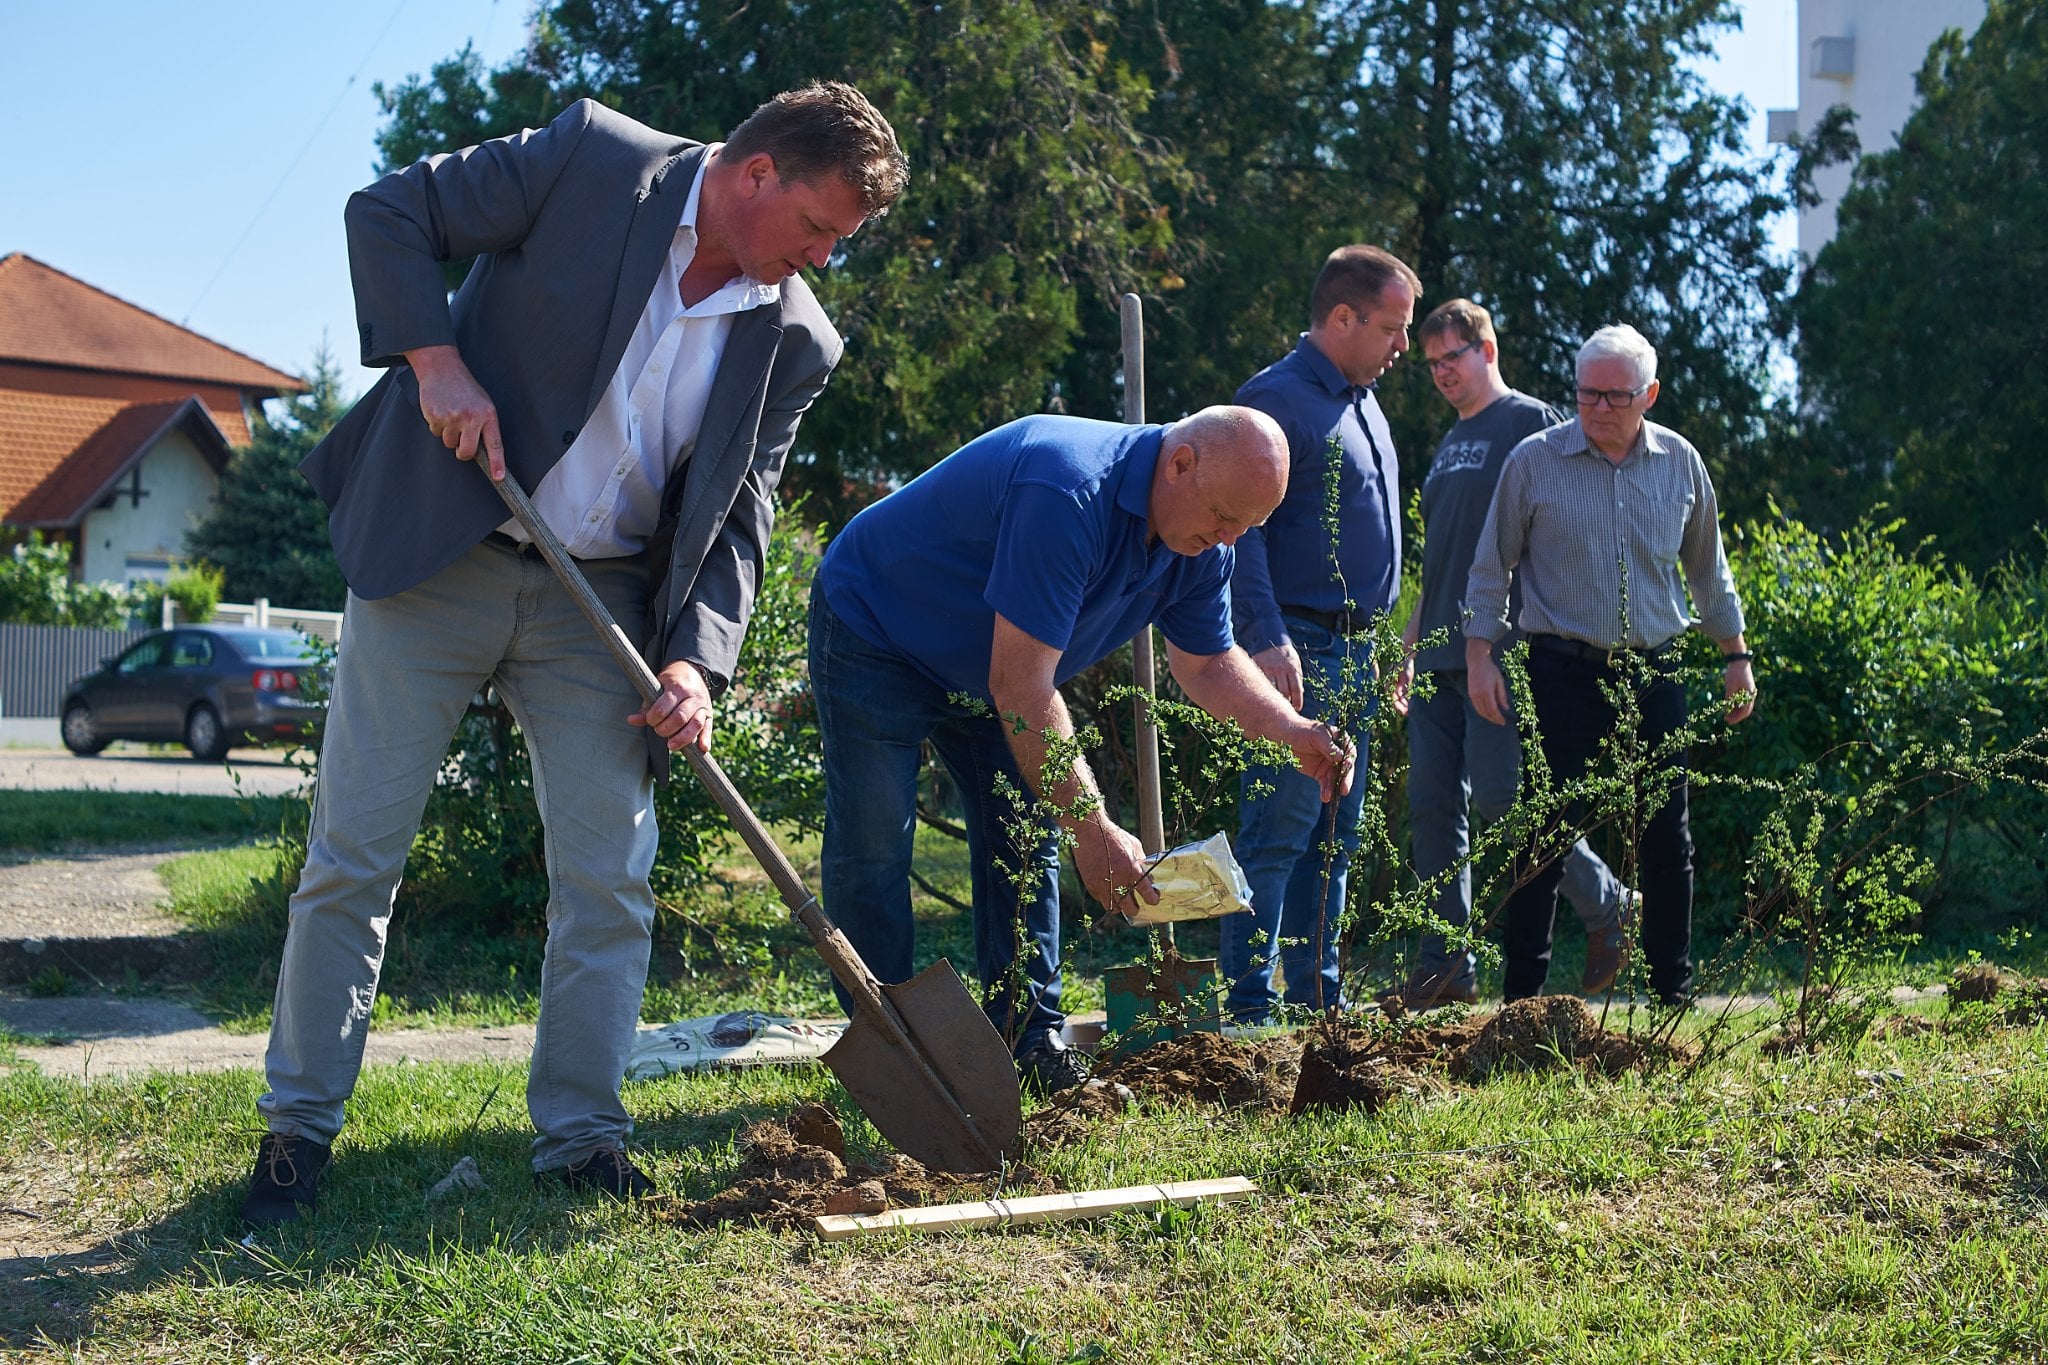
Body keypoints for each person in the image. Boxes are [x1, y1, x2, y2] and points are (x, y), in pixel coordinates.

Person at [238, 85, 908, 1226]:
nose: (822, 258)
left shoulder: (796, 334)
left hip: (598, 600)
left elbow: (741, 505)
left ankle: (583, 1140)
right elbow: (389, 212)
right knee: (355, 858)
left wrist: (697, 659)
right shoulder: (594, 162)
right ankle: (297, 1133)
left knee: (610, 877)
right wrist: (435, 358)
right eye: (819, 229)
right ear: (757, 175)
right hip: (441, 553)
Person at [809, 407, 1353, 1092]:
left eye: (1245, 526)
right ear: (1180, 463)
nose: (1228, 538)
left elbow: (1209, 664)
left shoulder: (1203, 545)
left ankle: (1029, 1037)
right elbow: (1022, 683)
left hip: (998, 666)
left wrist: (1293, 731)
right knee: (874, 841)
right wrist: (1093, 828)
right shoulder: (1067, 491)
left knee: (1024, 838)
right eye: (1224, 516)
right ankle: (891, 1052)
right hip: (878, 627)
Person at [1463, 324, 1756, 1007]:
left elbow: (1709, 572)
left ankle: (1670, 992)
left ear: (1648, 394)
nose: (1596, 408)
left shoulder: (1680, 463)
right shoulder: (1534, 461)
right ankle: (1525, 1001)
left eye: (1614, 396)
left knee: (1665, 833)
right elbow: (1490, 565)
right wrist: (1480, 655)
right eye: (1586, 393)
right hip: (1562, 670)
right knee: (1545, 833)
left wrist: (1735, 656)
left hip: (1656, 671)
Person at [1391, 299, 1629, 1010]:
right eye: (1431, 363)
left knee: (1505, 799)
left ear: (1487, 351)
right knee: (1432, 806)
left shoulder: (1530, 422)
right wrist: (1410, 640)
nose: (1441, 373)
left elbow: (1565, 527)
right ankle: (1445, 968)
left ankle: (1610, 899)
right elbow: (1444, 556)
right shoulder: (1447, 443)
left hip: (1499, 647)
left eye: (1452, 358)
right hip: (1436, 651)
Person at [1220, 245, 1416, 1026]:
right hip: (1300, 646)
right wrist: (1266, 636)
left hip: (1361, 652)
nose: (1403, 345)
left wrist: (1391, 640)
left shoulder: (1363, 400)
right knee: (1277, 833)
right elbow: (1241, 535)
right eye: (1392, 328)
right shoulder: (1276, 400)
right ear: (1343, 318)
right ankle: (1248, 1007)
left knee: (1336, 832)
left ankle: (1315, 999)